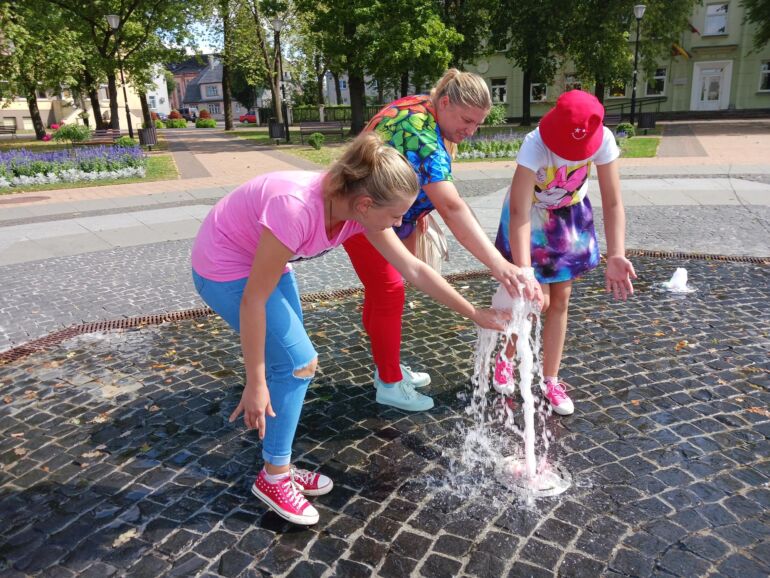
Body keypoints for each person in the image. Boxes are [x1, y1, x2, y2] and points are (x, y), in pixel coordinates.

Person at [191, 133, 509, 526]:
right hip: (222, 267)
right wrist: (254, 382)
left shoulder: (357, 208)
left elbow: (414, 270)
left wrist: (473, 312)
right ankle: (273, 477)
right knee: (297, 362)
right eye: (395, 217)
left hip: (261, 259)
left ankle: (279, 465)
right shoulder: (296, 208)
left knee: (292, 365)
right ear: (364, 204)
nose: (399, 224)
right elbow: (253, 300)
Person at [343, 69, 542, 413]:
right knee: (389, 290)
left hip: (383, 210)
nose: (471, 131)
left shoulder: (425, 105)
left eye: (478, 123)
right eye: (466, 120)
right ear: (446, 102)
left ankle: (385, 364)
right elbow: (452, 207)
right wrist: (501, 266)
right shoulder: (421, 134)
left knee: (384, 290)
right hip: (364, 214)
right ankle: (389, 381)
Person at [493, 90, 637, 416]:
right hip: (529, 217)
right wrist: (526, 271)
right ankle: (505, 357)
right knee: (535, 299)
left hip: (568, 219)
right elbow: (517, 212)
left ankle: (550, 379)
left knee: (560, 300)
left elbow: (613, 202)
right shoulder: (535, 143)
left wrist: (616, 253)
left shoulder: (603, 139)